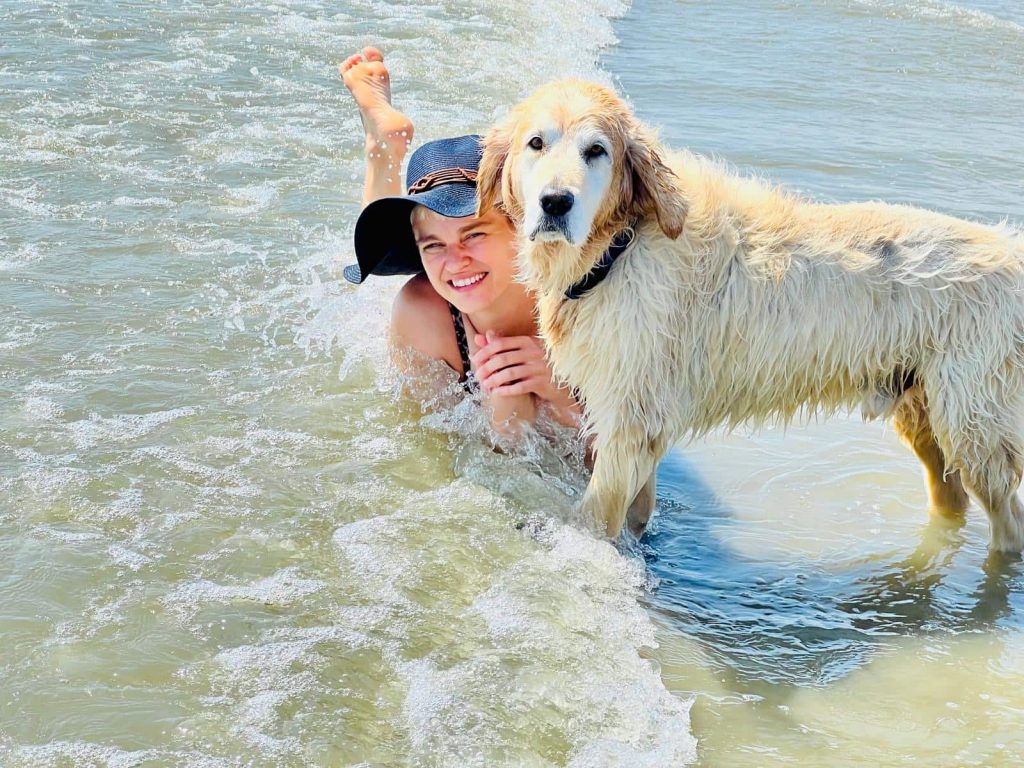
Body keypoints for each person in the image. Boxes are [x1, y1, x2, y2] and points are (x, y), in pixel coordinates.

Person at [339, 47, 580, 432]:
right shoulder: (422, 314)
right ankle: (382, 148)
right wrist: (504, 410)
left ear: (519, 228)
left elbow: (622, 456)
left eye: (475, 233)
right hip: (444, 313)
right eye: (431, 245)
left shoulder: (576, 302)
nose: (457, 258)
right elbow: (442, 452)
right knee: (384, 277)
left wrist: (560, 389)